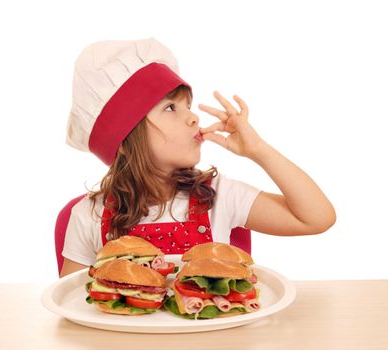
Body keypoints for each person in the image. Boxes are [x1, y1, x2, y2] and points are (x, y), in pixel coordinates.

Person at [60, 38, 336, 277]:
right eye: (170, 107)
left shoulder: (219, 196)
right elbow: (71, 302)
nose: (193, 117)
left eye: (188, 106)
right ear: (123, 138)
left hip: (213, 338)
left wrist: (258, 150)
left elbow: (317, 218)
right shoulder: (89, 215)